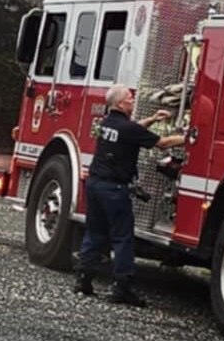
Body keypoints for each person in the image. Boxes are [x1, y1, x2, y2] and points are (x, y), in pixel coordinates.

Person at [73, 83, 185, 306]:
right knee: (122, 238)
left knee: (95, 232)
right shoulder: (127, 129)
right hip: (114, 190)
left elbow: (131, 131)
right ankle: (122, 287)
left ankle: (83, 280)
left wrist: (152, 119)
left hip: (95, 185)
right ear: (119, 103)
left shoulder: (106, 124)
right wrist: (190, 138)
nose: (132, 101)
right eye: (129, 99)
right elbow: (161, 144)